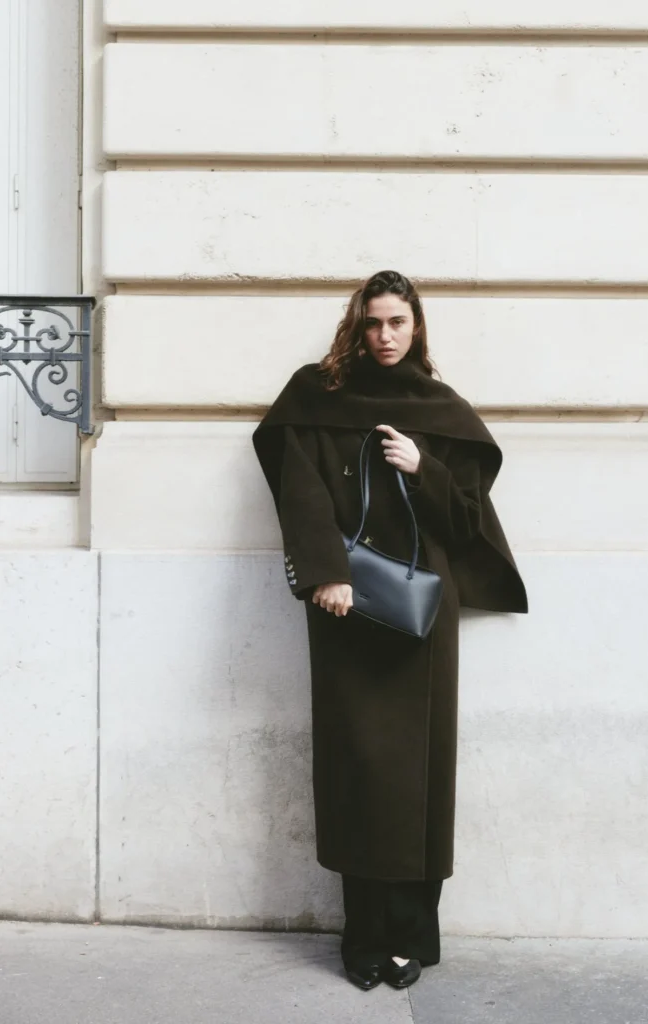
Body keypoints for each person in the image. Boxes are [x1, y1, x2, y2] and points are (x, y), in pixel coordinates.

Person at [252, 270, 528, 992]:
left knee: (417, 780)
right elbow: (300, 492)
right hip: (344, 610)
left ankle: (411, 936)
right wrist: (324, 572)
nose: (385, 336)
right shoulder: (316, 396)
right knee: (358, 772)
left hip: (421, 618)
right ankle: (364, 936)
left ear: (416, 327)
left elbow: (465, 521)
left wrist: (422, 466)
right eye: (373, 322)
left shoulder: (440, 409)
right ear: (357, 325)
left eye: (397, 323)